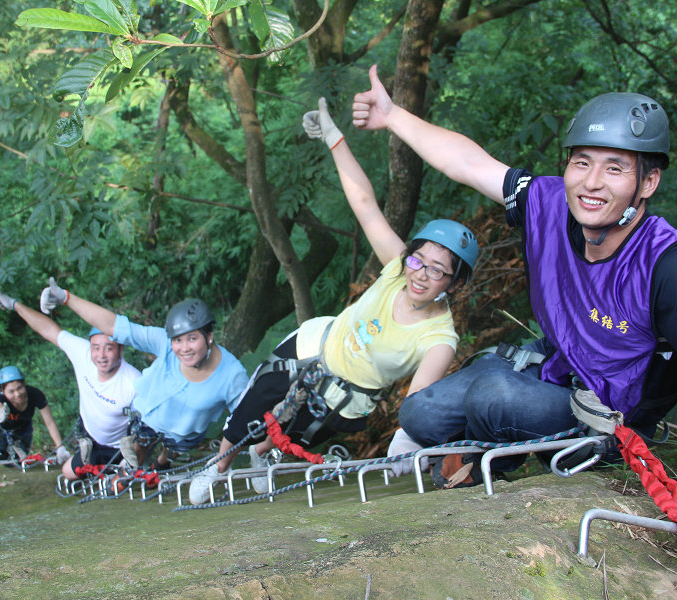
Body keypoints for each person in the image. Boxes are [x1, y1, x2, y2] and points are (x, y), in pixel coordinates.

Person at [351, 65, 677, 563]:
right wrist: (392, 114)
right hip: (554, 366)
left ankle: (481, 461)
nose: (591, 183)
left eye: (615, 168)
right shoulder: (550, 203)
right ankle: (476, 445)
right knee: (418, 411)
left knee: (492, 394)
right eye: (581, 163)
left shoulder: (667, 264)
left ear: (649, 181)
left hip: (609, 415)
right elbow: (469, 163)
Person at [186, 98, 480, 505]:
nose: (420, 274)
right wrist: (334, 137)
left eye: (436, 270)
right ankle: (217, 467)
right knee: (255, 405)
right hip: (314, 347)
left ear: (455, 283)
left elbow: (418, 398)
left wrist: (407, 434)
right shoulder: (398, 268)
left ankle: (259, 457)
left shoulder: (439, 338)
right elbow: (365, 205)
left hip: (348, 396)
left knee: (294, 431)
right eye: (419, 260)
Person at [38, 281, 249, 472]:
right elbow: (115, 326)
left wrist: (221, 465)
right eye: (178, 340)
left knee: (172, 452)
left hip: (185, 433)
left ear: (209, 337)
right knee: (134, 456)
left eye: (192, 339)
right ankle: (131, 467)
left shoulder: (231, 375)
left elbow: (244, 419)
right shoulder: (164, 344)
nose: (184, 348)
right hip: (149, 417)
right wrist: (66, 298)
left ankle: (164, 460)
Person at [0, 290, 141, 480]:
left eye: (109, 348)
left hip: (119, 447)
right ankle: (92, 460)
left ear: (121, 349)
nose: (101, 355)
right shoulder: (83, 354)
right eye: (96, 348)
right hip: (92, 442)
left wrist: (133, 461)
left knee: (117, 480)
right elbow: (48, 330)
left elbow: (148, 429)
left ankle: (122, 468)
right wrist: (14, 304)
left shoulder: (133, 381)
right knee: (68, 473)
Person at [0, 365, 68, 464]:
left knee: (21, 460)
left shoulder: (35, 394)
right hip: (0, 430)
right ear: (3, 391)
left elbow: (50, 422)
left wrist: (60, 446)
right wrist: (1, 412)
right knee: (2, 459)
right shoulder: (0, 397)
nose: (17, 394)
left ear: (24, 384)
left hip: (23, 428)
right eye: (11, 391)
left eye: (19, 388)